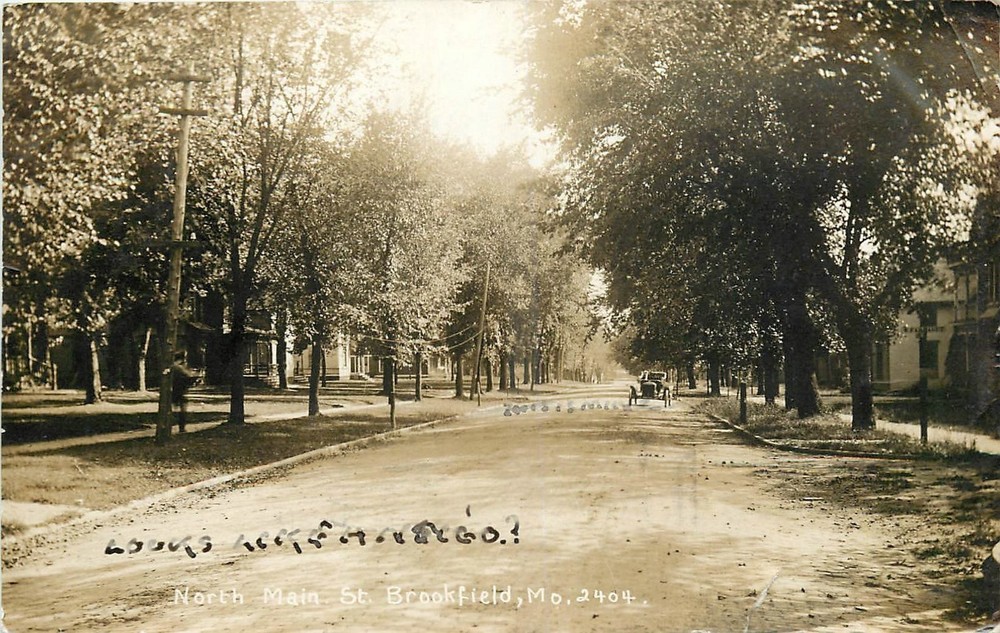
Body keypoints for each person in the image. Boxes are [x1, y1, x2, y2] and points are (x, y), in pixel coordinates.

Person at [170, 351, 197, 432]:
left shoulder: (172, 367)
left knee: (174, 410)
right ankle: (181, 427)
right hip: (181, 392)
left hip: (173, 391)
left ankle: (171, 427)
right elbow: (188, 377)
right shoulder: (179, 368)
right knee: (182, 411)